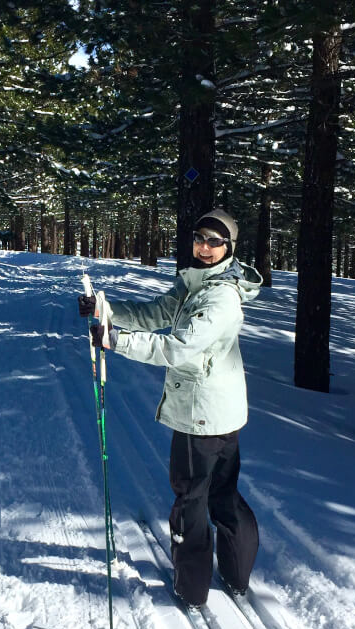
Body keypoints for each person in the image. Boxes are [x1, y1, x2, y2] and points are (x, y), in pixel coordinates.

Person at [78, 208, 262, 607]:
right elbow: (155, 314)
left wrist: (115, 341)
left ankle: (192, 588)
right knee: (220, 493)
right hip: (219, 412)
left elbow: (177, 348)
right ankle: (235, 574)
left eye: (215, 242)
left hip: (202, 415)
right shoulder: (197, 284)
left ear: (229, 248)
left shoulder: (220, 298)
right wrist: (105, 310)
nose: (205, 247)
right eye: (200, 238)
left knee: (193, 499)